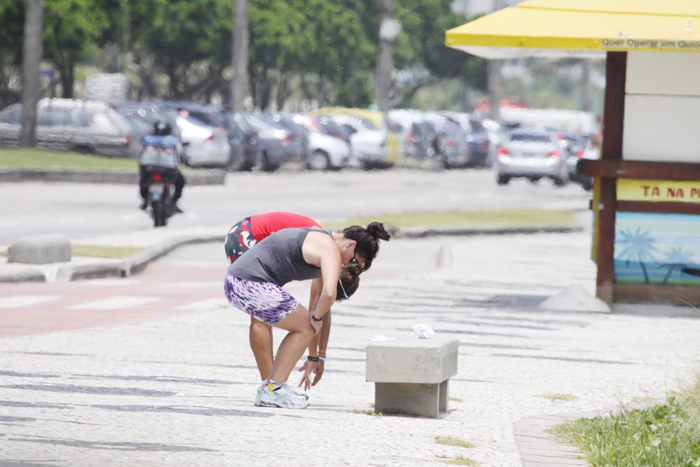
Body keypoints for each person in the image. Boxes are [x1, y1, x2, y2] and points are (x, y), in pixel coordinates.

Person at [224, 222, 390, 409]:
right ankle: (273, 389)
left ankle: (270, 387)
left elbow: (320, 300)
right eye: (353, 261)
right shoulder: (330, 250)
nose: (346, 265)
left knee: (306, 325)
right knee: (305, 326)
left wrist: (316, 355)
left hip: (237, 282)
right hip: (248, 283)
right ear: (350, 245)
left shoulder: (321, 238)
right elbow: (329, 294)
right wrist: (315, 320)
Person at [138, 120, 186, 213]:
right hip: (168, 169)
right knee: (180, 181)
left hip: (149, 168)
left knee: (143, 182)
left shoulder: (148, 139)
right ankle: (173, 202)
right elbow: (181, 153)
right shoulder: (173, 141)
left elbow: (139, 153)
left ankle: (147, 201)